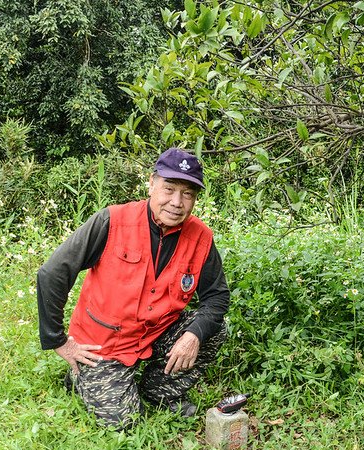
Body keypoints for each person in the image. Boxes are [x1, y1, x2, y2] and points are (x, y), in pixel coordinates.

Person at [36, 148, 230, 429]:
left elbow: (217, 297)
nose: (177, 202)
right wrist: (58, 340)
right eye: (169, 189)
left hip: (156, 333)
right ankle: (80, 378)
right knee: (123, 422)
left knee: (214, 329)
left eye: (187, 194)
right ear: (151, 183)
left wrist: (193, 335)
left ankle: (158, 389)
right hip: (104, 344)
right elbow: (52, 274)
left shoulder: (201, 236)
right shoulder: (112, 221)